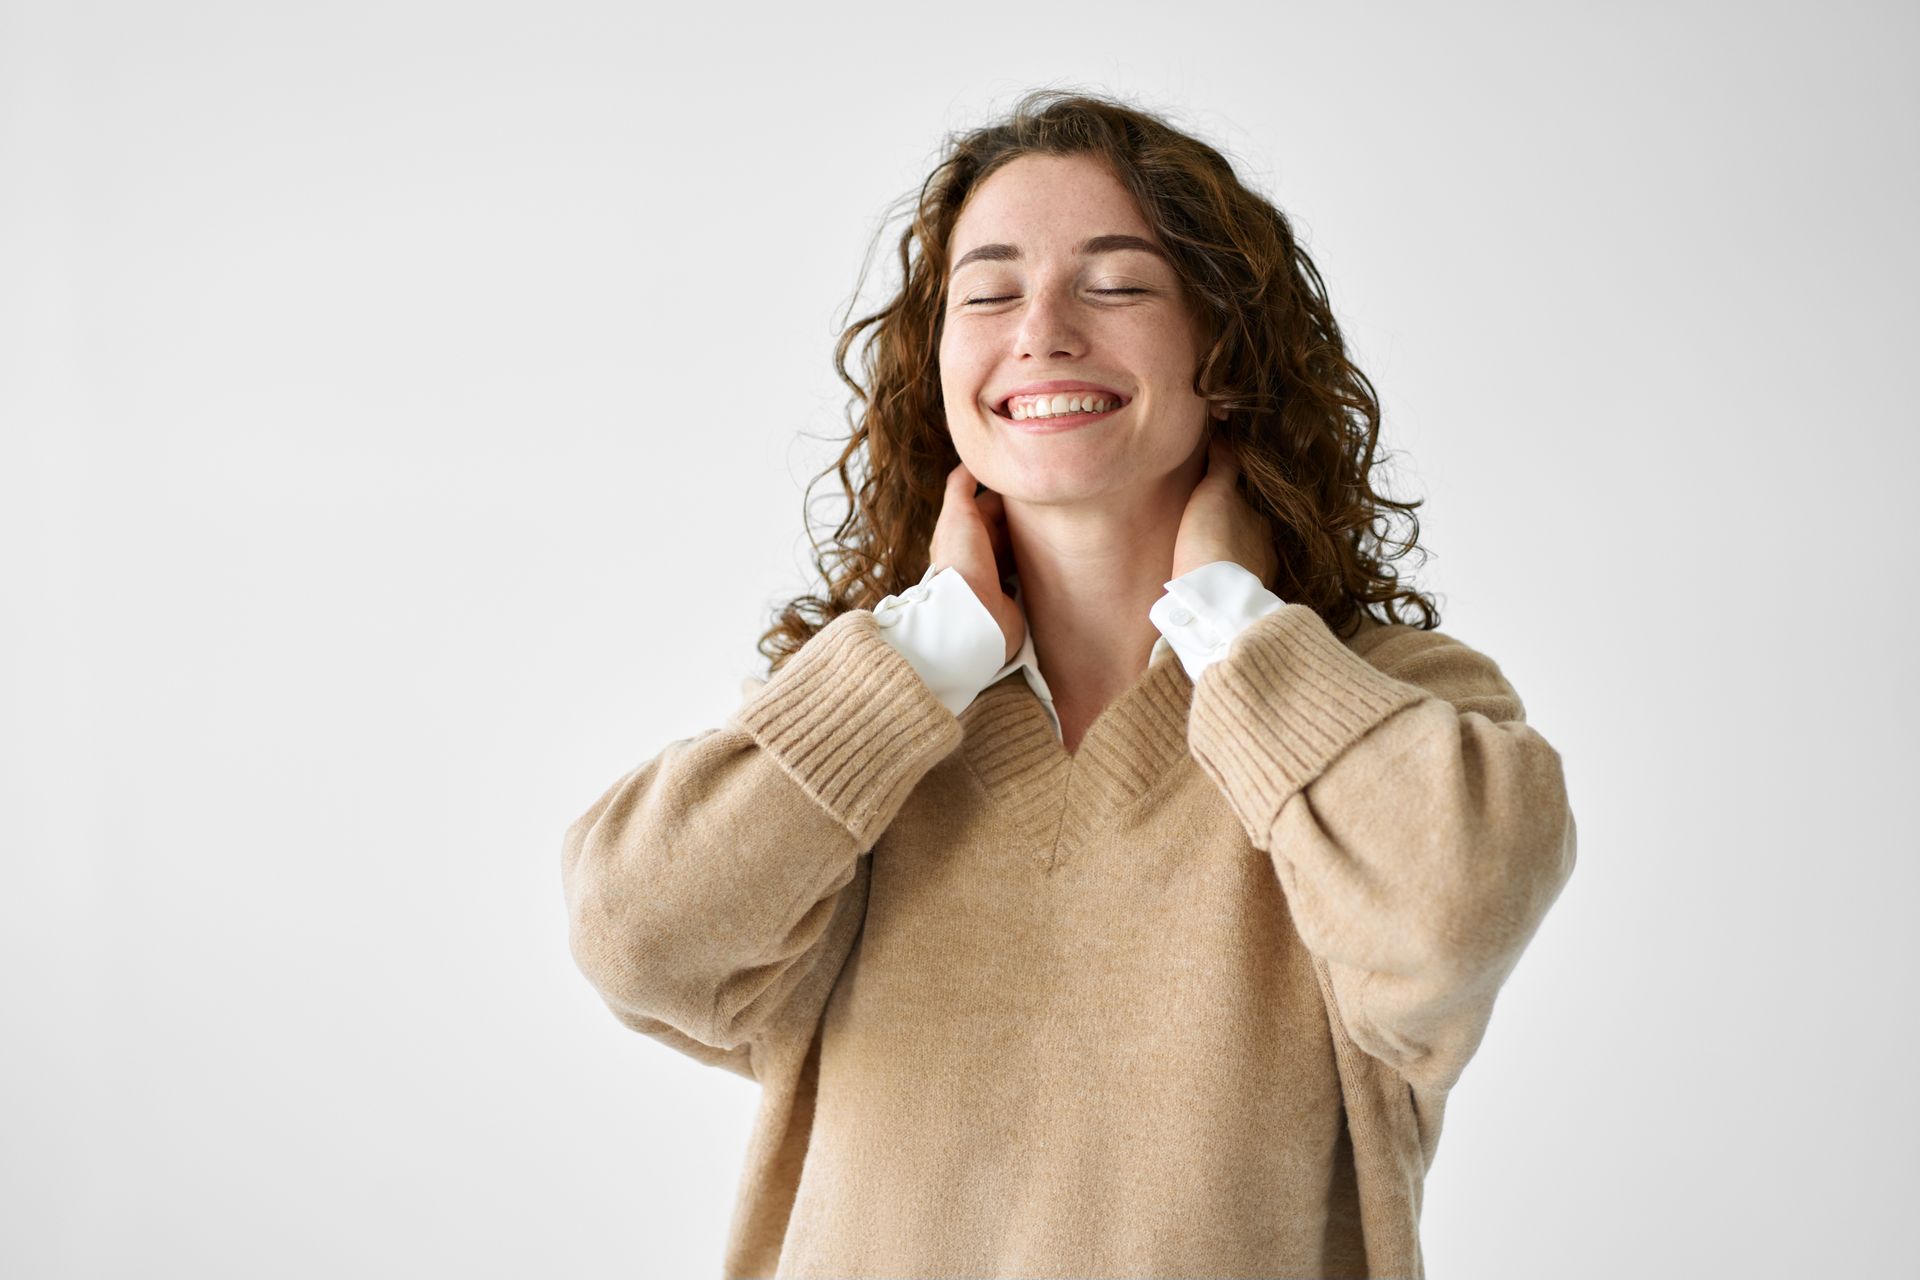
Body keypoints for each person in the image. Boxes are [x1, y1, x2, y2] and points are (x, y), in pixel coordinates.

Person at [560, 88, 1577, 1279]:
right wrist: (932, 649)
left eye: (1118, 283)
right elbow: (636, 934)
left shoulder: (1387, 699)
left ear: (1225, 350)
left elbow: (1444, 925)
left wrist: (1237, 634)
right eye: (987, 291)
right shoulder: (869, 719)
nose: (1040, 329)